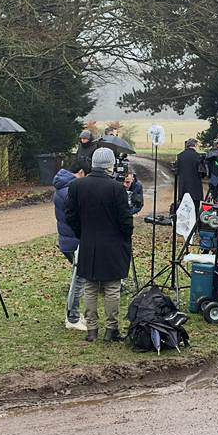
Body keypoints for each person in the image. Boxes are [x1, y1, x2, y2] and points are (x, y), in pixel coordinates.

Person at [64, 147, 133, 343]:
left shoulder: (77, 185)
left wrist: (82, 233)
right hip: (113, 243)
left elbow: (71, 215)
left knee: (90, 286)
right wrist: (125, 237)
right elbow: (125, 220)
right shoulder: (116, 188)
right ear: (110, 166)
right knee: (112, 287)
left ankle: (92, 329)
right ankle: (111, 329)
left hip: (88, 241)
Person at [52, 167, 87, 332]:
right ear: (80, 173)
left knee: (81, 278)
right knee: (79, 280)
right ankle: (72, 317)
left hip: (68, 240)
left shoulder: (63, 185)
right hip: (75, 241)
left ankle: (75, 314)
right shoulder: (70, 191)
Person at [174, 138, 204, 216]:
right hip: (195, 187)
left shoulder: (180, 156)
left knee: (184, 208)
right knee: (195, 209)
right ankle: (194, 225)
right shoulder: (198, 156)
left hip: (183, 187)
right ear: (195, 145)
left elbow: (176, 171)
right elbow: (202, 172)